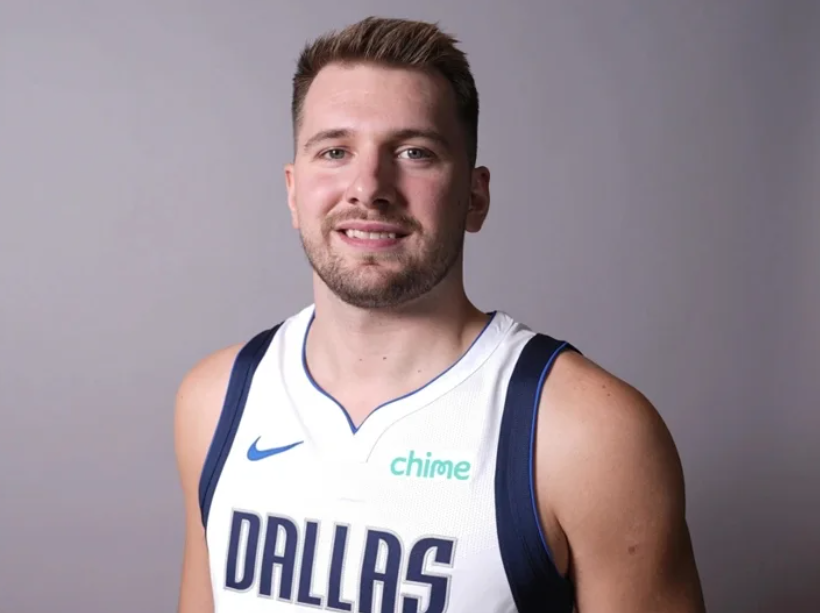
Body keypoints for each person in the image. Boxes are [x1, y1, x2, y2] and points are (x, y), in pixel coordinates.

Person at [174, 15, 706, 613]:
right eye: (335, 151)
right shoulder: (216, 399)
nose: (369, 186)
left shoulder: (586, 433)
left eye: (414, 152)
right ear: (294, 192)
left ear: (475, 196)